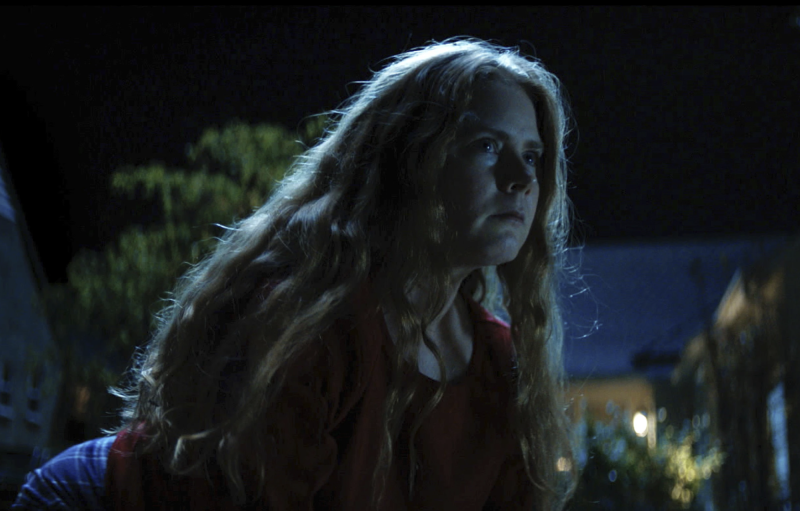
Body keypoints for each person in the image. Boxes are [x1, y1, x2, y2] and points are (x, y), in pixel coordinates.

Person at [14, 38, 576, 510]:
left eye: (531, 155)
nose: (520, 178)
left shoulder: (501, 364)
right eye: (486, 146)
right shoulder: (315, 323)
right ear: (412, 161)